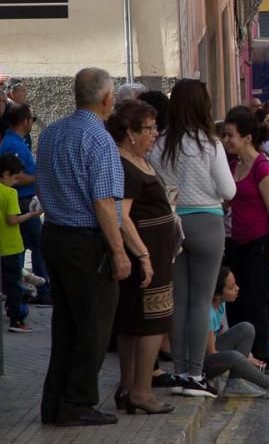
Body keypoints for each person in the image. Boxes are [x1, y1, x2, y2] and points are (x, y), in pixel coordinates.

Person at [36, 68, 129, 427]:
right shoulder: (99, 139)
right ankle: (77, 402)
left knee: (66, 325)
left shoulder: (53, 132)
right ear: (106, 99)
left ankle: (55, 402)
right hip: (84, 241)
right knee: (93, 325)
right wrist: (119, 252)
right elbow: (104, 203)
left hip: (55, 235)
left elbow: (44, 185)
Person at [149, 79, 236, 399]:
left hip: (171, 225)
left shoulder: (159, 144)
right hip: (207, 223)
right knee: (201, 301)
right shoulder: (209, 144)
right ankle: (196, 374)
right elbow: (229, 191)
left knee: (179, 301)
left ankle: (179, 370)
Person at [107, 99, 175, 415]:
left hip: (157, 251)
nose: (154, 133)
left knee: (136, 322)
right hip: (148, 255)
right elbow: (122, 215)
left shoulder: (137, 161)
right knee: (149, 323)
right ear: (131, 133)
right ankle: (140, 390)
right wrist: (143, 254)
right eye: (148, 128)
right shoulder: (127, 165)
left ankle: (130, 387)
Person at [221, 107, 269, 372]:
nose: (227, 141)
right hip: (234, 240)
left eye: (231, 136)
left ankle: (262, 355)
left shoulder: (262, 166)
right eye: (225, 136)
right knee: (234, 298)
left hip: (258, 242)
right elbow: (228, 200)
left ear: (247, 137)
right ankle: (240, 355)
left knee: (255, 299)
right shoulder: (234, 165)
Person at [204, 267, 269, 398]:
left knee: (246, 328)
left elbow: (224, 335)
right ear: (217, 294)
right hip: (202, 365)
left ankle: (235, 382)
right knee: (235, 357)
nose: (237, 288)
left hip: (213, 353)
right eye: (231, 287)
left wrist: (246, 355)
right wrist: (243, 361)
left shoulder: (220, 304)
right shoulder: (207, 314)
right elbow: (211, 352)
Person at [0, 102, 50, 305]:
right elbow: (17, 177)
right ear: (24, 121)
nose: (33, 122)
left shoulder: (18, 142)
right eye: (33, 119)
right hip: (21, 200)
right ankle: (42, 290)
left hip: (23, 199)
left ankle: (22, 289)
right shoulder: (13, 144)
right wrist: (39, 176)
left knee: (26, 247)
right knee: (38, 245)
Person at [1, 153, 42, 333]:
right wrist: (31, 215)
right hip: (11, 246)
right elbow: (13, 220)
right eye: (15, 177)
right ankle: (17, 318)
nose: (17, 182)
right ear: (5, 174)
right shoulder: (10, 193)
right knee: (13, 285)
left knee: (7, 282)